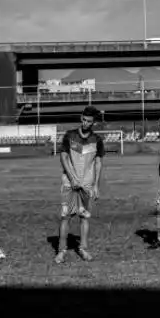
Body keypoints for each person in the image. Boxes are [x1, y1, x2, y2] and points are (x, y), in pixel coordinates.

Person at [55, 105, 105, 264]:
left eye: (88, 121)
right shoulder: (69, 136)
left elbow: (98, 163)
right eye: (83, 119)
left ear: (93, 123)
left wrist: (96, 185)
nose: (85, 123)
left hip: (87, 185)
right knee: (65, 217)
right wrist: (72, 178)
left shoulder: (97, 140)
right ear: (80, 118)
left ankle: (83, 249)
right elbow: (63, 157)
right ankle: (61, 251)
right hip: (69, 184)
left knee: (84, 217)